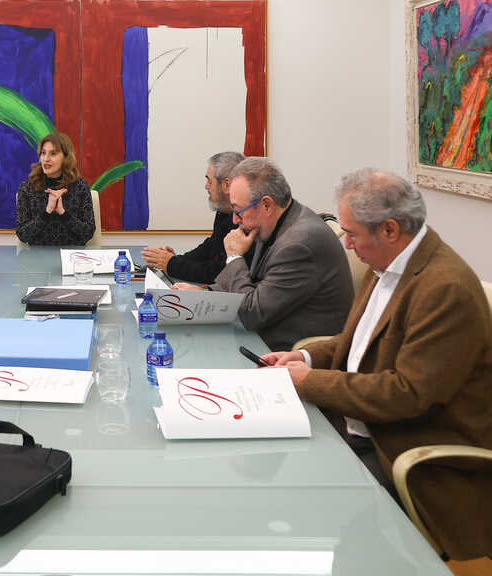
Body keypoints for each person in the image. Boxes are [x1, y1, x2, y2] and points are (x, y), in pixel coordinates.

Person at [264, 169, 492, 560]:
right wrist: (304, 357)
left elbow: (406, 394)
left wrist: (308, 381)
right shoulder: (388, 264)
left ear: (389, 230)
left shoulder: (444, 289)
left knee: (297, 511)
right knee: (272, 472)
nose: (347, 244)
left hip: (410, 454)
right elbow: (359, 341)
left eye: (352, 234)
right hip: (363, 429)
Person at [190, 156, 353, 350]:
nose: (234, 220)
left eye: (238, 211)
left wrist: (234, 257)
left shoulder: (298, 245)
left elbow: (251, 313)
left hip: (291, 352)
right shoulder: (276, 221)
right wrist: (204, 294)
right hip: (268, 334)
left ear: (266, 205)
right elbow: (255, 283)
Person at [142, 151, 249, 283]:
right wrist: (175, 260)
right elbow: (210, 247)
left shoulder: (246, 220)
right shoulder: (224, 211)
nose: (206, 186)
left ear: (226, 185)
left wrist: (172, 264)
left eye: (209, 181)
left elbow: (218, 273)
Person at [15, 132, 95, 246]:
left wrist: (63, 213)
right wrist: (47, 212)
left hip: (73, 255)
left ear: (66, 158)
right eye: (43, 153)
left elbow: (88, 233)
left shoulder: (80, 187)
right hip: (38, 255)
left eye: (53, 153)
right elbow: (22, 235)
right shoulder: (27, 188)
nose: (46, 159)